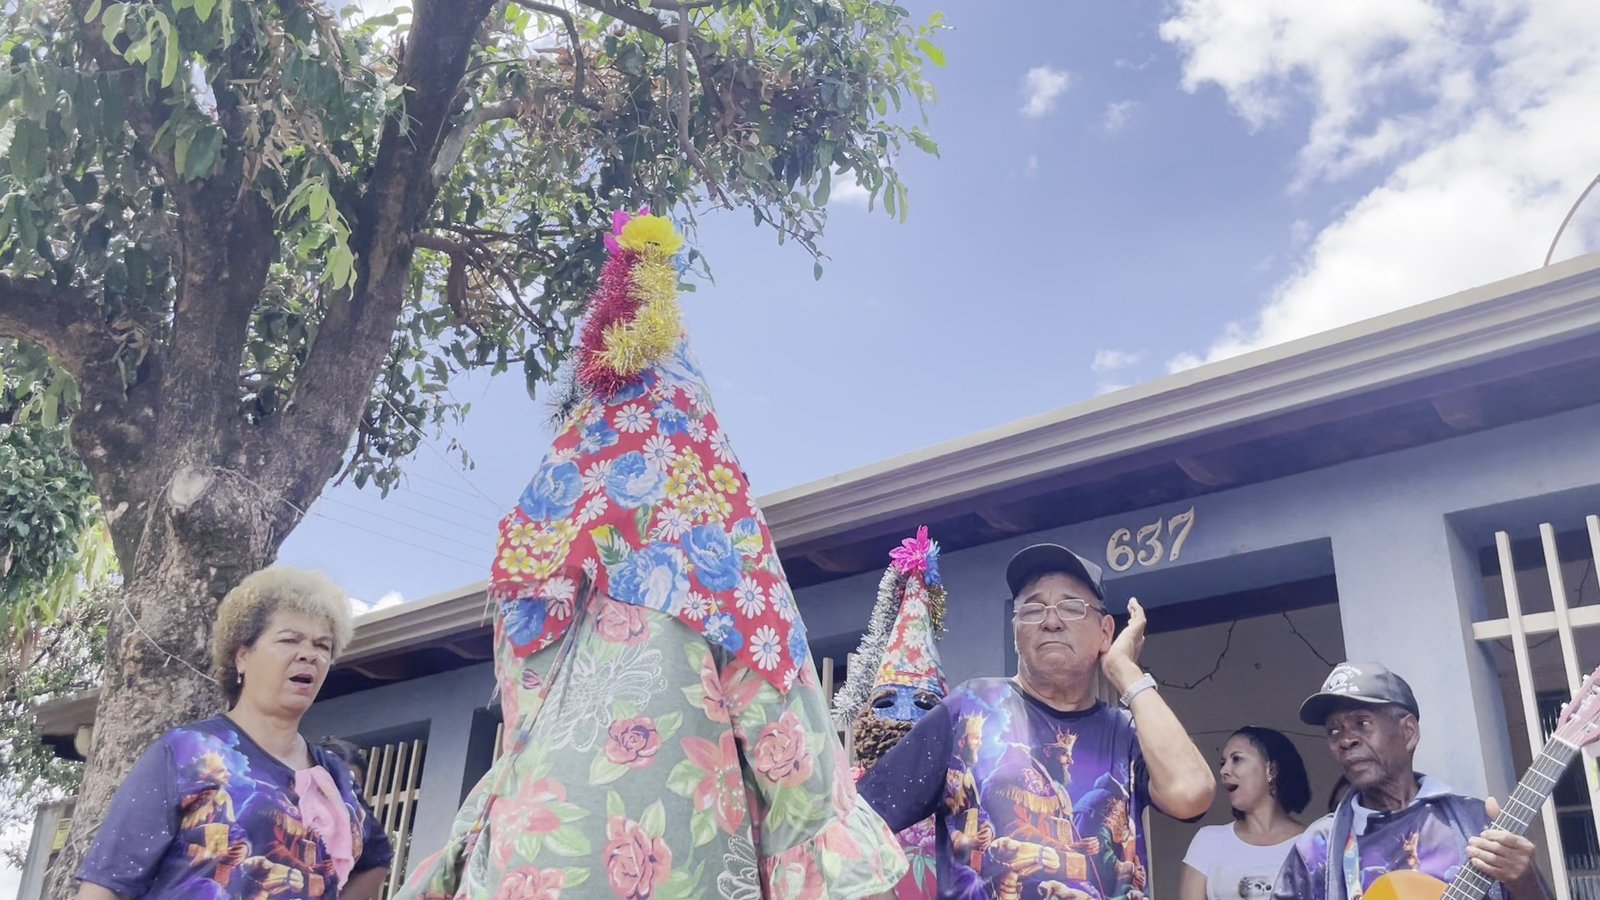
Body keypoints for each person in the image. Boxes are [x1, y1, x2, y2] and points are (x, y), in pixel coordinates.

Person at [394, 210, 907, 900]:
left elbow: (515, 717)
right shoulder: (720, 563)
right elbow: (799, 770)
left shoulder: (537, 568)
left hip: (529, 854)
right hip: (671, 860)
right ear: (699, 456)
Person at [860, 542, 1216, 900]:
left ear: (1105, 632)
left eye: (1072, 607)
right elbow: (856, 822)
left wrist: (1125, 671)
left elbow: (1192, 794)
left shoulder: (1125, 732)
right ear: (1016, 631)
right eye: (1032, 609)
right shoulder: (969, 708)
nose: (1051, 621)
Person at [76, 566, 393, 899]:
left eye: (323, 646)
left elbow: (376, 859)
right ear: (242, 656)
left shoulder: (336, 776)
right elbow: (105, 885)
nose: (309, 654)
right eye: (289, 639)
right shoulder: (186, 752)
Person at [1274, 661, 1548, 900]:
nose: (1346, 740)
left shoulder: (1477, 824)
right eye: (1334, 731)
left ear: (1408, 732)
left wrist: (1523, 880)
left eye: (1362, 723)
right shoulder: (1316, 848)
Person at [831, 526, 953, 898]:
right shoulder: (842, 792)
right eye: (887, 701)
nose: (903, 716)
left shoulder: (959, 793)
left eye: (924, 704)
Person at [1179, 726, 1310, 900]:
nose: (1224, 770)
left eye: (1237, 759)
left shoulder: (1313, 843)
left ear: (1271, 769)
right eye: (1223, 762)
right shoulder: (1208, 841)